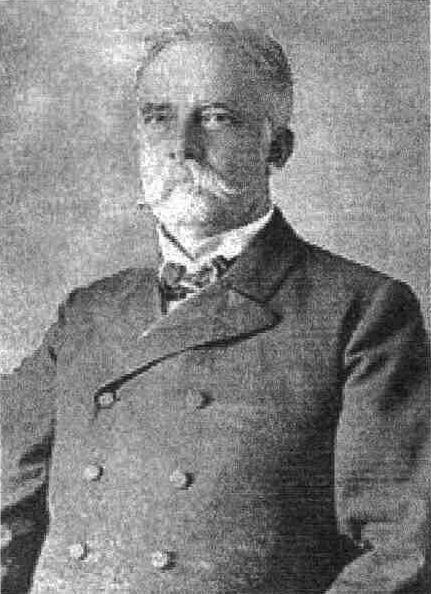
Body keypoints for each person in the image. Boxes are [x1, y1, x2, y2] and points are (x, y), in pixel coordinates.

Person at [1, 20, 429, 594]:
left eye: (216, 117)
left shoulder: (362, 313)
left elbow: (401, 552)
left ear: (277, 148)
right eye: (159, 117)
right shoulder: (86, 313)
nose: (181, 144)